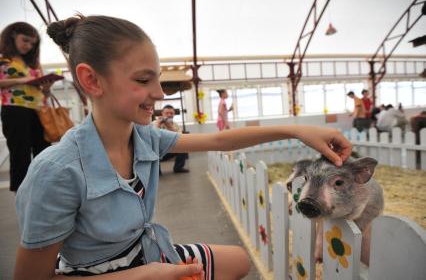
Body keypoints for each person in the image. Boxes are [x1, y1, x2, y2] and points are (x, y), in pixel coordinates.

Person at [14, 15, 352, 280]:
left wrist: (296, 131)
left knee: (236, 261)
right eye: (144, 80)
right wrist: (145, 275)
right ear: (91, 80)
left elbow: (220, 140)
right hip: (98, 271)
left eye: (158, 79)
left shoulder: (143, 137)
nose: (161, 93)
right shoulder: (57, 172)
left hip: (144, 253)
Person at [0, 22, 53, 192]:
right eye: (25, 40)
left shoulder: (33, 62)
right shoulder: (3, 58)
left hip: (39, 110)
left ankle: (44, 193)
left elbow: (44, 94)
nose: (28, 46)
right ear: (13, 35)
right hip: (15, 109)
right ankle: (22, 199)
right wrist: (22, 80)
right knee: (20, 155)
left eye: (32, 43)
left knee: (44, 153)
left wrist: (46, 88)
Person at [155, 104, 189, 173]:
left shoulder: (176, 125)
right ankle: (156, 172)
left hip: (169, 150)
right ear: (162, 113)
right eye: (167, 113)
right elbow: (152, 136)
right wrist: (158, 124)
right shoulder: (154, 123)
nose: (169, 115)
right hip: (157, 151)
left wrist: (170, 127)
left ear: (174, 114)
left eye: (171, 113)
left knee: (183, 147)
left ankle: (178, 168)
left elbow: (180, 138)